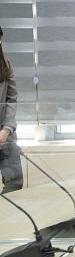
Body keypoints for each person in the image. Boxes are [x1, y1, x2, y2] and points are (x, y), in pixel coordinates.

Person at [0, 27, 22, 193]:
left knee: (14, 182)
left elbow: (11, 99)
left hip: (5, 136)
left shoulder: (5, 64)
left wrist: (6, 130)